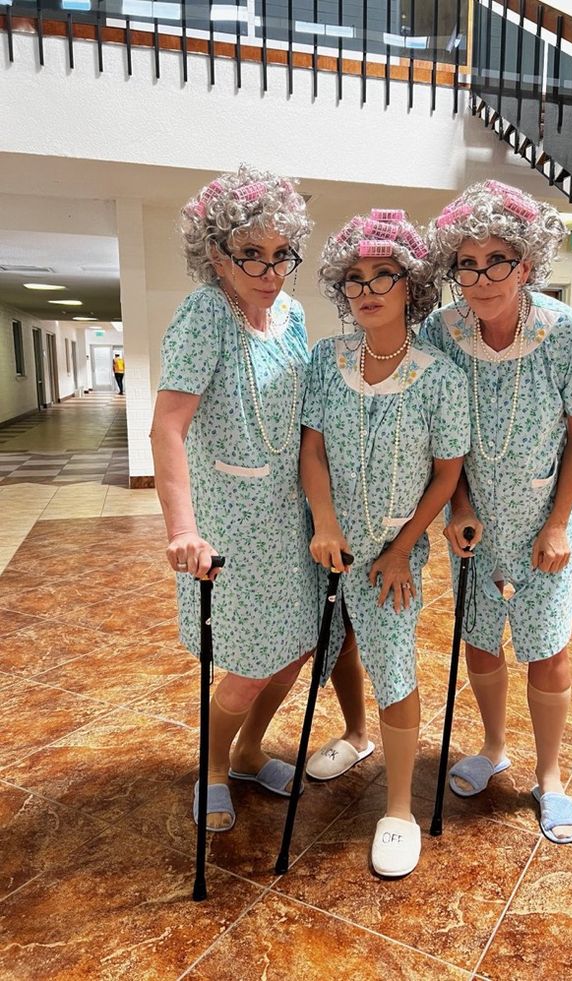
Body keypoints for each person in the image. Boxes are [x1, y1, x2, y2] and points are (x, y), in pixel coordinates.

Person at [422, 180, 572, 844]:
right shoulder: (441, 333)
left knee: (548, 649)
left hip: (546, 519)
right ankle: (494, 745)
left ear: (527, 264)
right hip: (472, 519)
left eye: (498, 260)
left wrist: (558, 522)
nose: (480, 276)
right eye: (467, 263)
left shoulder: (567, 333)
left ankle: (550, 776)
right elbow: (442, 438)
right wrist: (458, 506)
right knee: (478, 636)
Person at [300, 210, 470, 876]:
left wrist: (401, 547)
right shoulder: (326, 359)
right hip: (326, 541)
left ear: (412, 286)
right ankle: (353, 733)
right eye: (354, 279)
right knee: (337, 637)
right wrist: (323, 520)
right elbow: (312, 450)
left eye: (383, 276)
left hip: (394, 554)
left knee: (393, 666)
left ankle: (398, 806)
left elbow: (448, 473)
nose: (366, 289)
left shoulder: (441, 378)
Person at [150, 165, 319, 832]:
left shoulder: (296, 315)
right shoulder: (204, 316)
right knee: (247, 664)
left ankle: (250, 750)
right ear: (215, 252)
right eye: (250, 252)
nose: (268, 270)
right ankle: (213, 763)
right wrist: (182, 529)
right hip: (229, 525)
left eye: (281, 254)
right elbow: (168, 425)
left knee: (297, 646)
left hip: (291, 516)